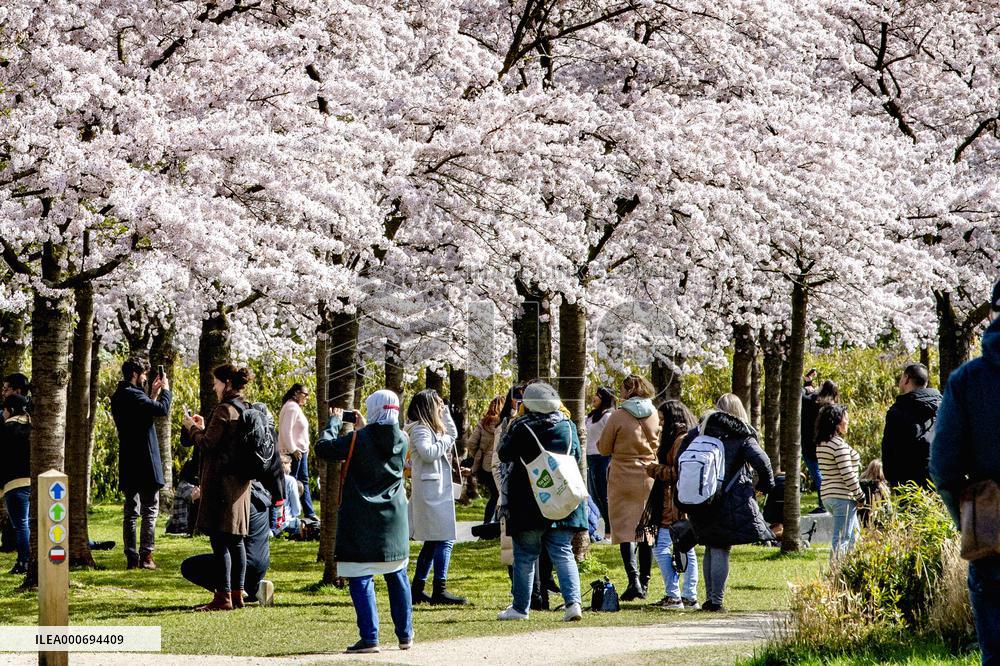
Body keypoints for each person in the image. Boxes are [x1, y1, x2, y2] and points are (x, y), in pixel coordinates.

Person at [930, 279, 1000, 664]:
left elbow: (944, 467)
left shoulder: (967, 382)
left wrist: (970, 520)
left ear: (991, 316)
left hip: (994, 530)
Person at [316, 390, 413, 654]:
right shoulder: (403, 439)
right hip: (393, 519)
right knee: (398, 574)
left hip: (360, 519)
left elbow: (323, 449)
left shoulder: (356, 439)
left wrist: (334, 423)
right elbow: (378, 445)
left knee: (360, 576)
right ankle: (405, 635)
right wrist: (364, 428)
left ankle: (370, 637)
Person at [496, 381, 586, 622]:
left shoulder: (521, 427)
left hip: (528, 502)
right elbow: (575, 455)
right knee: (563, 552)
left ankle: (520, 608)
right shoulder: (568, 425)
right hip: (562, 499)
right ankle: (573, 603)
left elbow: (504, 453)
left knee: (525, 555)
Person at [679, 394, 774, 612]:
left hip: (700, 498)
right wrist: (764, 486)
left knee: (710, 545)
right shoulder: (742, 434)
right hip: (729, 499)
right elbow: (763, 462)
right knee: (721, 546)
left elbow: (681, 457)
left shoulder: (698, 431)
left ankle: (710, 598)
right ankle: (715, 601)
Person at [182, 364, 255, 611]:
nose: (214, 387)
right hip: (242, 483)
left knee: (220, 540)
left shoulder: (224, 409)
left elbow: (207, 444)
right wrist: (204, 426)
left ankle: (223, 596)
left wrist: (191, 427)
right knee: (236, 541)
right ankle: (238, 594)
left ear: (226, 383)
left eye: (215, 383)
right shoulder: (245, 408)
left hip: (220, 484)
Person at [597, 375, 660, 601]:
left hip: (622, 475)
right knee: (646, 530)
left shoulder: (619, 415)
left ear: (629, 390)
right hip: (648, 475)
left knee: (625, 530)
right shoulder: (654, 413)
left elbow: (603, 448)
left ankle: (633, 580)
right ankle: (645, 580)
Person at [110, 358, 172, 570]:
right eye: (143, 375)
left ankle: (131, 556)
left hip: (128, 460)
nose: (145, 378)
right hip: (145, 459)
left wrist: (152, 395)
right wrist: (165, 391)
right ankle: (146, 555)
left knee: (130, 511)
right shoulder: (134, 395)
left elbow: (143, 413)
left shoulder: (119, 396)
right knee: (149, 509)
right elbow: (162, 410)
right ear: (135, 374)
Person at [406, 389, 467, 605]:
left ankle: (417, 587)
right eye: (438, 404)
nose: (440, 407)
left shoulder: (431, 427)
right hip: (431, 491)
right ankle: (439, 588)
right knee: (445, 538)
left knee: (432, 542)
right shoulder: (420, 429)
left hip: (436, 489)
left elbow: (453, 433)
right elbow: (428, 452)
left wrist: (446, 414)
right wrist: (446, 441)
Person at [641, 399, 699, 610]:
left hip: (672, 503)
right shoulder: (689, 436)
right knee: (686, 548)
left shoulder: (679, 440)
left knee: (659, 546)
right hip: (682, 502)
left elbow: (677, 472)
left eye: (663, 420)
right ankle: (689, 596)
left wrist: (654, 469)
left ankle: (674, 595)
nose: (660, 425)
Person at [181, 479, 275, 606]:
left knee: (189, 566)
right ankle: (254, 589)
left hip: (242, 564)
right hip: (261, 563)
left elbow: (215, 535)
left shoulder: (236, 501)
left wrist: (200, 501)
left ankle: (227, 594)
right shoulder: (260, 496)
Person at [880, 363, 941, 489]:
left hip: (908, 484)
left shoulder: (898, 411)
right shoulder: (943, 407)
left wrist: (893, 481)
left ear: (906, 378)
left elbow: (889, 450)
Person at [815, 404, 863, 561]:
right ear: (836, 422)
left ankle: (851, 572)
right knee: (842, 539)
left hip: (828, 495)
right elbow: (848, 474)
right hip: (843, 496)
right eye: (845, 418)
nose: (848, 421)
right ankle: (835, 577)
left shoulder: (822, 444)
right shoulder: (838, 445)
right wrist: (860, 495)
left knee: (854, 537)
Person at [0, 394, 31, 574]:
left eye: (4, 410)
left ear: (10, 410)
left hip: (14, 484)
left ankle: (24, 561)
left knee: (20, 525)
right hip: (33, 482)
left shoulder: (7, 428)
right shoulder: (31, 425)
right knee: (28, 523)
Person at [279, 383, 317, 520]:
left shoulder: (294, 407)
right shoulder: (291, 408)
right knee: (292, 484)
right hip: (294, 452)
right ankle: (289, 514)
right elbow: (285, 430)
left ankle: (309, 512)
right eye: (304, 394)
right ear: (296, 393)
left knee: (302, 481)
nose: (307, 397)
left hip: (300, 451)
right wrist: (292, 449)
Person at [801, 379, 839, 514]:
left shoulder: (811, 401)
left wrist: (807, 387)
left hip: (809, 445)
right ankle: (826, 503)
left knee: (817, 476)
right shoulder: (831, 407)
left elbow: (798, 395)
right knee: (824, 475)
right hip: (825, 445)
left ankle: (823, 505)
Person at [586, 386, 616, 538]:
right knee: (593, 494)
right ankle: (602, 526)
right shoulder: (591, 416)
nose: (594, 398)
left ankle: (610, 530)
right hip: (590, 458)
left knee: (603, 493)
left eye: (597, 395)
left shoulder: (608, 416)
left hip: (603, 458)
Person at [467, 396, 502, 523]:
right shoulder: (504, 422)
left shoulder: (483, 423)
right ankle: (492, 524)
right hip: (500, 463)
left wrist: (478, 454)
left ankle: (489, 523)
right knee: (499, 495)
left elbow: (471, 443)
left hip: (485, 465)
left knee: (494, 495)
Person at [165, 454, 200, 537]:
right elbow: (200, 498)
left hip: (180, 525)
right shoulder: (185, 486)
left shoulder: (184, 484)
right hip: (183, 526)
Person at [858, 459, 889, 527]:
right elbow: (887, 507)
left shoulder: (859, 484)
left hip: (861, 521)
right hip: (878, 522)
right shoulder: (879, 486)